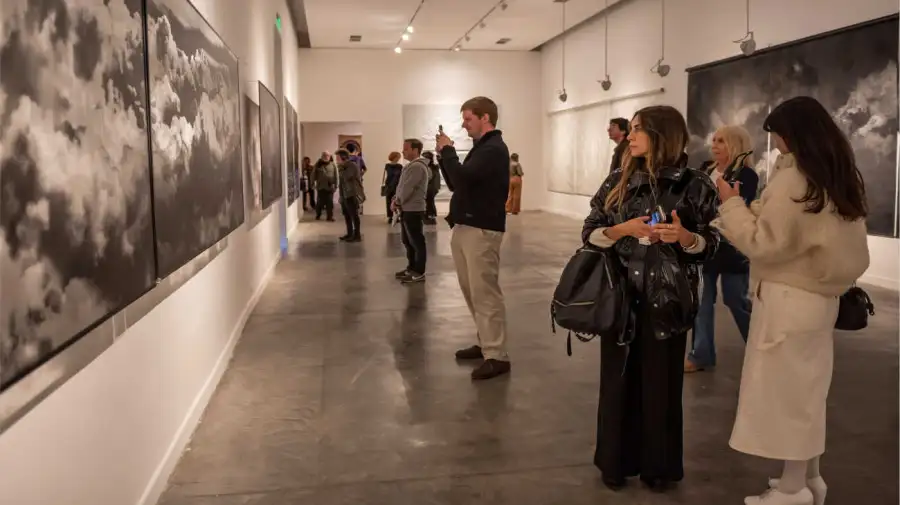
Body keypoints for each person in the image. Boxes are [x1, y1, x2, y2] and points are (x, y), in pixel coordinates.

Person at [713, 96, 869, 505]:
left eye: (778, 136)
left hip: (788, 300)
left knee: (786, 396)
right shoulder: (837, 174)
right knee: (806, 394)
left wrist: (730, 202)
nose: (777, 144)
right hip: (819, 301)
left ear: (791, 134)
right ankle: (807, 479)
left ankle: (791, 489)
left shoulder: (795, 179)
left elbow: (763, 242)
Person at [581, 105, 719, 491]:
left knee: (661, 386)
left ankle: (658, 467)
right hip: (620, 296)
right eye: (632, 128)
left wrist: (687, 239)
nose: (631, 135)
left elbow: (716, 244)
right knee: (617, 381)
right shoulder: (616, 182)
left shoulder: (695, 185)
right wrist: (619, 229)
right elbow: (589, 232)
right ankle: (615, 462)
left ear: (662, 134)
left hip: (669, 300)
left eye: (639, 129)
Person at [436, 96, 511, 381]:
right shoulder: (482, 148)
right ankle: (486, 343)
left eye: (468, 119)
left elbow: (463, 178)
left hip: (481, 229)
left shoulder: (494, 149)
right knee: (472, 291)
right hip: (467, 226)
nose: (464, 124)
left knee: (485, 293)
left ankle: (497, 355)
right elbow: (457, 182)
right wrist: (445, 156)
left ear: (485, 118)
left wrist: (448, 152)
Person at [685, 125, 759, 373]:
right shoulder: (704, 170)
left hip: (732, 248)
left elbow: (737, 208)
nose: (714, 145)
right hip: (705, 245)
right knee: (702, 303)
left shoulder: (747, 175)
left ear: (735, 146)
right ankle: (700, 354)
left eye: (721, 141)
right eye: (713, 140)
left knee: (736, 299)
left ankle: (759, 349)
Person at [393, 139, 429, 283]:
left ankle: (419, 272)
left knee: (416, 241)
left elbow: (408, 188)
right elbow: (402, 187)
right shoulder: (411, 166)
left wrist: (397, 201)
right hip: (407, 208)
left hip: (413, 209)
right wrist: (396, 200)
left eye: (406, 149)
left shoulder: (417, 167)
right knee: (407, 241)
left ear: (415, 150)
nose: (403, 151)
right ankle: (411, 268)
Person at [335, 149, 364, 242]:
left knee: (354, 215)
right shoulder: (343, 167)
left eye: (337, 157)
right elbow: (341, 183)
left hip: (352, 194)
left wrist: (341, 168)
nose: (336, 159)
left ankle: (357, 235)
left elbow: (347, 177)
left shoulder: (351, 165)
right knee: (347, 215)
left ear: (343, 157)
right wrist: (341, 196)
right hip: (345, 195)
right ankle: (350, 233)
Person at [313, 152, 337, 221]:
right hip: (320, 187)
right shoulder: (318, 164)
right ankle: (318, 215)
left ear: (330, 157)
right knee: (319, 203)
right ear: (322, 156)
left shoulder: (333, 165)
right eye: (324, 155)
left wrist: (336, 185)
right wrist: (312, 183)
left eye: (327, 156)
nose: (326, 157)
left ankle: (329, 217)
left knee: (330, 203)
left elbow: (336, 175)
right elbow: (313, 174)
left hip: (330, 187)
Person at [382, 152, 403, 224]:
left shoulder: (400, 166)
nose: (399, 158)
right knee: (389, 202)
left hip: (397, 186)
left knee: (397, 201)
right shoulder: (387, 165)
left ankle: (396, 216)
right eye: (398, 157)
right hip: (389, 185)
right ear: (394, 157)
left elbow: (401, 176)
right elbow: (391, 174)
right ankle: (390, 217)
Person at [423, 151, 440, 224]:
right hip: (432, 187)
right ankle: (430, 216)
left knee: (429, 202)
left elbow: (429, 178)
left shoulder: (430, 167)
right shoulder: (434, 167)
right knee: (429, 201)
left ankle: (430, 216)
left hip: (430, 187)